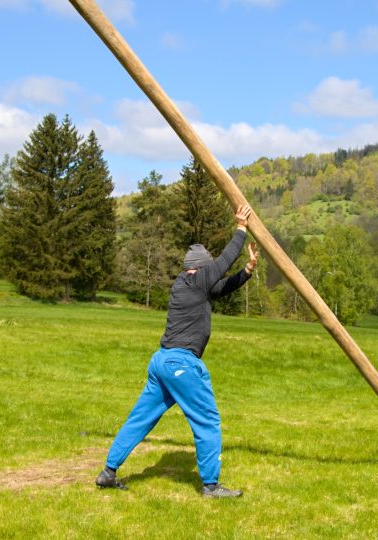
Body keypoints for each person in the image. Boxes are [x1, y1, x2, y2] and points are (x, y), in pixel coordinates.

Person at [96, 204, 260, 498]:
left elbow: (222, 287)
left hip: (161, 363)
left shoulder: (186, 284)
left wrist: (247, 271)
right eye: (208, 267)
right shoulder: (197, 279)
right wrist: (241, 228)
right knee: (207, 419)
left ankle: (108, 472)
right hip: (181, 364)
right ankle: (210, 485)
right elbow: (223, 262)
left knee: (140, 419)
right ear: (200, 267)